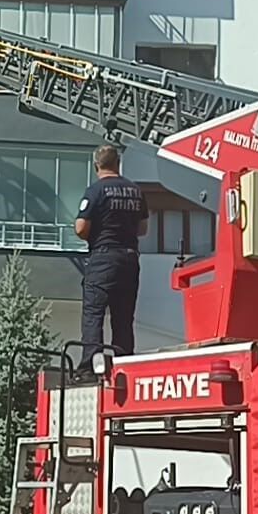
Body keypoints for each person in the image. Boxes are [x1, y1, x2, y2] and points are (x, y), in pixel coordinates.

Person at [75, 144, 149, 370]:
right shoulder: (135, 191)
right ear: (118, 163)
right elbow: (143, 229)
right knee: (123, 316)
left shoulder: (95, 191)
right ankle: (123, 362)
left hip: (103, 258)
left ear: (96, 166)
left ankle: (91, 365)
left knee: (94, 313)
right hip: (129, 259)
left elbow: (80, 228)